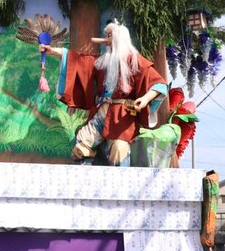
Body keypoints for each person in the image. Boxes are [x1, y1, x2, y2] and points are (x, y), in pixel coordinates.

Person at [40, 21, 167, 166]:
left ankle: (119, 183)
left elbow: (159, 84)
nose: (106, 40)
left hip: (122, 116)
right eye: (105, 35)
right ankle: (86, 175)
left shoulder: (135, 60)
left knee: (119, 149)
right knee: (81, 143)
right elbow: (79, 61)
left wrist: (144, 100)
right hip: (101, 112)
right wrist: (53, 51)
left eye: (109, 36)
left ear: (120, 38)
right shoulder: (103, 61)